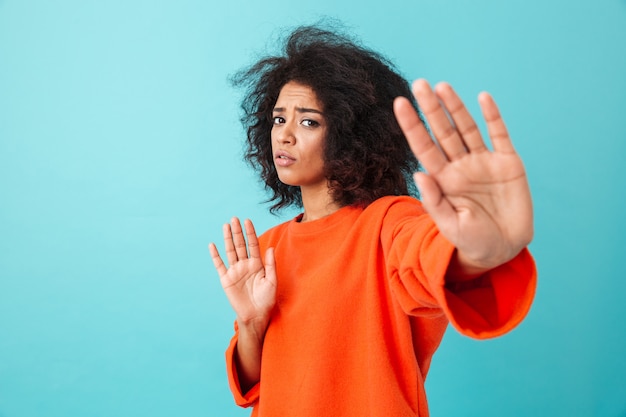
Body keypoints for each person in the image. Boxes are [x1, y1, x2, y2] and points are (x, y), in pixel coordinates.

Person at [208, 25, 536, 417]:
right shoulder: (267, 247)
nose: (286, 136)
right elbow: (252, 386)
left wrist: (480, 252)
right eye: (279, 120)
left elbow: (430, 256)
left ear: (351, 134)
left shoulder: (390, 223)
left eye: (309, 122)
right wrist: (251, 322)